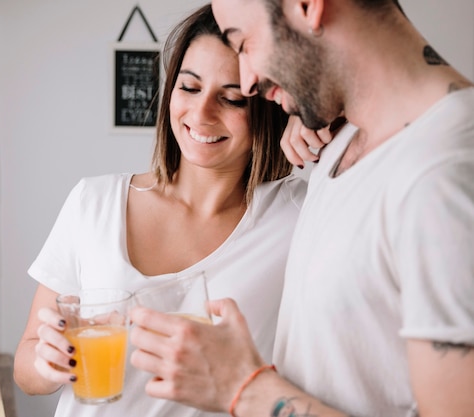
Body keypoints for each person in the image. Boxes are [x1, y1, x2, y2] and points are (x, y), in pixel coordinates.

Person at [130, 1, 474, 416]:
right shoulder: (346, 142)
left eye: (243, 43)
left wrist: (243, 387)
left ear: (308, 6)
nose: (249, 80)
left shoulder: (445, 172)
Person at [14, 4, 307, 417]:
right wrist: (47, 364)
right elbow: (25, 370)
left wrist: (309, 116)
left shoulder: (295, 216)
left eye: (232, 99)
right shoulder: (94, 202)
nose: (202, 114)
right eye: (189, 88)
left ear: (268, 106)